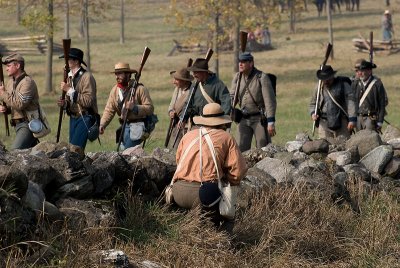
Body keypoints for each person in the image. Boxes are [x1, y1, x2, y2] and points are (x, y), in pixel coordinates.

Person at [171, 103, 247, 233]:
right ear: (222, 121)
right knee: (228, 215)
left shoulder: (188, 135)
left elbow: (179, 161)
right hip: (202, 193)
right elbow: (238, 172)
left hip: (177, 191)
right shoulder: (226, 138)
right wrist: (227, 182)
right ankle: (221, 244)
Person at [99, 62, 154, 150]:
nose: (117, 76)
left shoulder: (140, 89)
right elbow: (109, 109)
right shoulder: (114, 90)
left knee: (127, 152)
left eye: (120, 73)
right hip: (124, 127)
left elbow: (150, 108)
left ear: (128, 74)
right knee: (126, 153)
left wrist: (135, 108)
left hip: (138, 126)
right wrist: (102, 124)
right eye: (116, 74)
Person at [230, 52, 276, 152]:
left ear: (251, 63)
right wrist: (230, 106)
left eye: (243, 62)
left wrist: (271, 122)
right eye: (239, 62)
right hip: (243, 119)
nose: (240, 64)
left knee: (263, 148)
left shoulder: (261, 77)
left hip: (259, 118)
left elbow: (270, 101)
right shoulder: (237, 77)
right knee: (240, 149)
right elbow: (232, 96)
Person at [57, 48, 98, 153]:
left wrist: (69, 90)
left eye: (68, 59)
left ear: (76, 61)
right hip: (73, 117)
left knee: (75, 151)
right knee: (72, 150)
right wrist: (65, 103)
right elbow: (70, 100)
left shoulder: (87, 77)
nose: (65, 62)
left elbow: (88, 101)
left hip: (85, 117)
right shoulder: (69, 77)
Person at [0, 54, 40, 149]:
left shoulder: (27, 82)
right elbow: (12, 103)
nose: (6, 69)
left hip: (28, 124)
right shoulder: (10, 82)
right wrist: (6, 109)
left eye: (9, 66)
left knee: (15, 152)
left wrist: (3, 94)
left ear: (17, 66)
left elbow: (20, 104)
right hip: (17, 124)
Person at [309, 65, 357, 139]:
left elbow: (351, 102)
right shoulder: (318, 87)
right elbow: (313, 104)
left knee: (343, 145)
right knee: (324, 145)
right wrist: (313, 114)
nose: (326, 81)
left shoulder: (344, 85)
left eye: (328, 78)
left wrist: (352, 119)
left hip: (342, 121)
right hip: (324, 122)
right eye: (324, 79)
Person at [186, 58, 231, 123]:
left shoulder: (218, 85)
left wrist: (222, 121)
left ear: (204, 72)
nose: (193, 75)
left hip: (213, 123)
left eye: (196, 72)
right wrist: (184, 118)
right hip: (197, 122)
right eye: (193, 72)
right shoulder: (194, 85)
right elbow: (188, 103)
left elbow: (226, 103)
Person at [352, 60, 387, 132]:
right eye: (359, 71)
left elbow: (382, 104)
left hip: (370, 118)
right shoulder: (356, 83)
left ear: (369, 71)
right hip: (358, 117)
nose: (360, 73)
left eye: (362, 71)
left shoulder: (377, 84)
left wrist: (380, 122)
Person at [166, 66, 193, 149]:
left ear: (184, 81)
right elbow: (172, 104)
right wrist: (170, 111)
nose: (173, 82)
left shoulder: (192, 91)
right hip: (175, 125)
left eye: (176, 79)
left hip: (187, 127)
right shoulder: (177, 89)